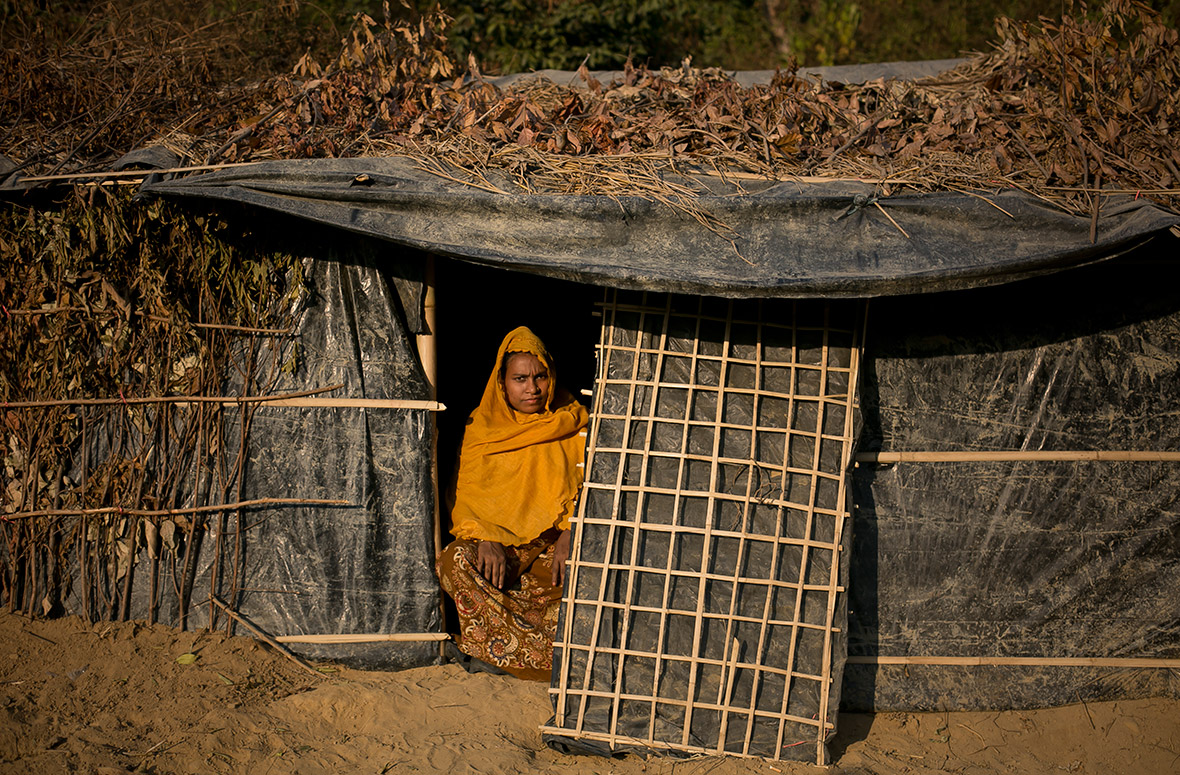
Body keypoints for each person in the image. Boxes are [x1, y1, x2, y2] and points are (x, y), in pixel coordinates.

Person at [436, 326, 589, 680]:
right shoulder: (481, 429)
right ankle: (508, 650)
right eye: (520, 378)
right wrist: (485, 535)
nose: (532, 388)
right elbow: (466, 497)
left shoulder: (574, 423)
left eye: (540, 376)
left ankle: (511, 655)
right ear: (502, 383)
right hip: (502, 554)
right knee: (455, 560)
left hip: (552, 554)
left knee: (591, 564)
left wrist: (574, 529)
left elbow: (595, 486)